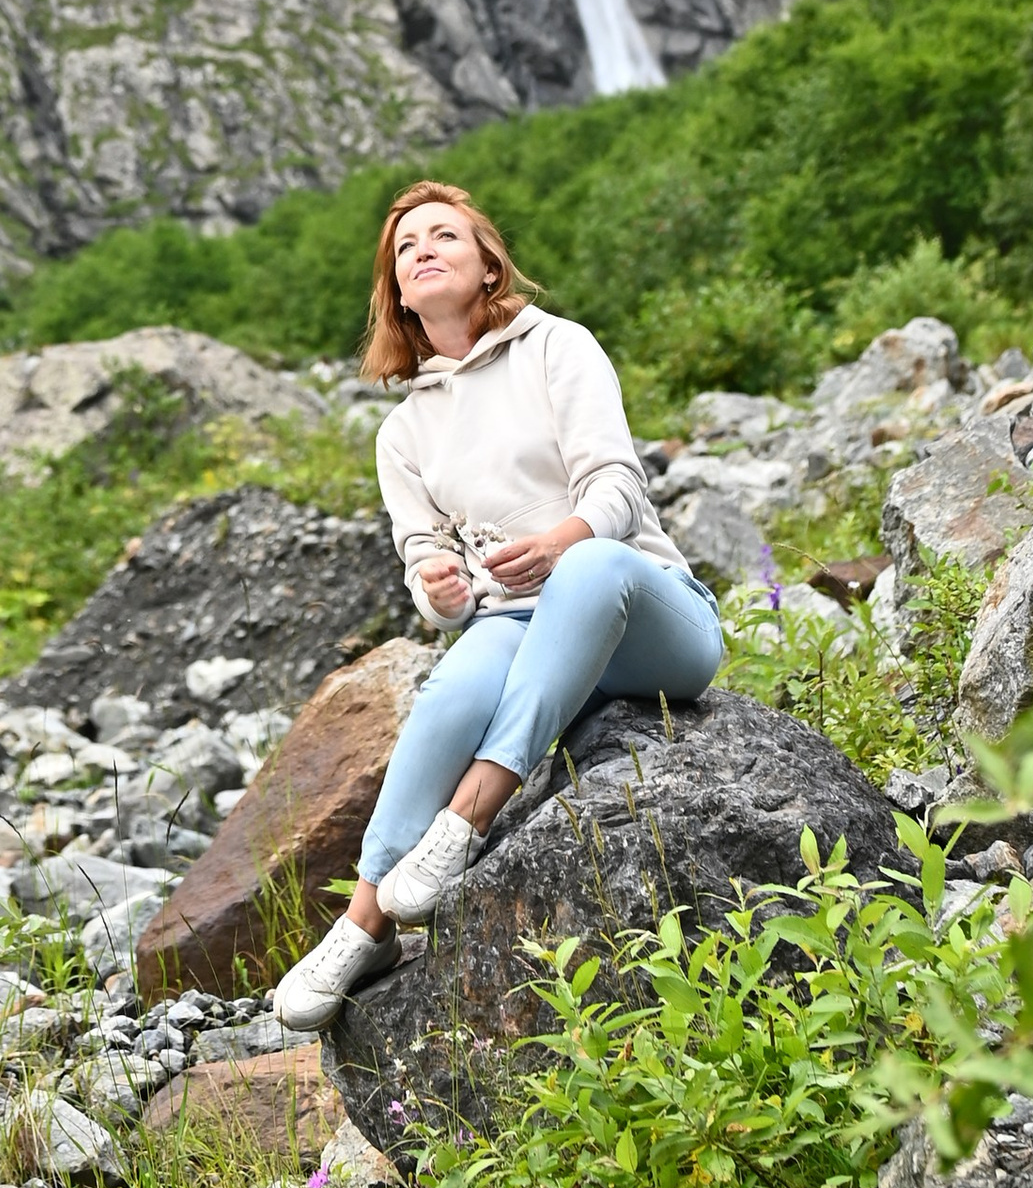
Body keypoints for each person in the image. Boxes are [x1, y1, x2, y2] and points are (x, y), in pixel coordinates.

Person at [271, 176, 723, 1033]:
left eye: (444, 235)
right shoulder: (401, 433)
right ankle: (366, 924)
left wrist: (558, 543)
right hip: (519, 625)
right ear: (399, 294)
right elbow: (427, 568)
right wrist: (439, 592)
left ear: (488, 266)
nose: (423, 250)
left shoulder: (557, 346)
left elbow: (617, 482)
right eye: (406, 248)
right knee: (451, 690)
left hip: (645, 612)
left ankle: (470, 812)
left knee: (588, 566)